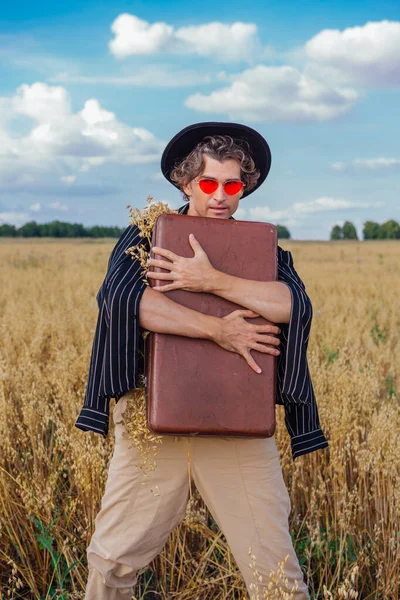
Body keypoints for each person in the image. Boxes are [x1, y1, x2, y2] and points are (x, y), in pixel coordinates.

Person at [76, 122, 329, 600]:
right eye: (209, 184)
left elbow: (291, 305)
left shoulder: (262, 249)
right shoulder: (149, 234)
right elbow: (127, 304)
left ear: (245, 187)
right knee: (110, 565)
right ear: (185, 182)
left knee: (279, 580)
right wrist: (220, 329)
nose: (220, 197)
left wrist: (208, 280)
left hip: (238, 426)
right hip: (154, 425)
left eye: (232, 185)